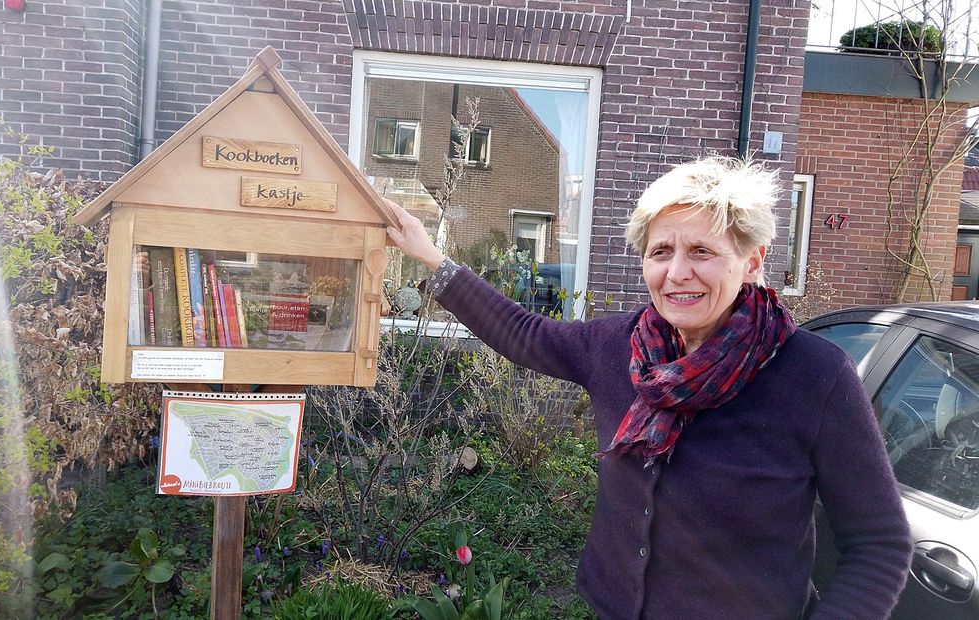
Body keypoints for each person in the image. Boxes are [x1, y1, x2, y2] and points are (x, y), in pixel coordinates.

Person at [385, 155, 912, 619]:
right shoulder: (618, 345)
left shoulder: (814, 375)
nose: (678, 272)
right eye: (661, 252)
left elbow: (879, 544)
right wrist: (433, 259)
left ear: (752, 261)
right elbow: (527, 333)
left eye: (702, 251)